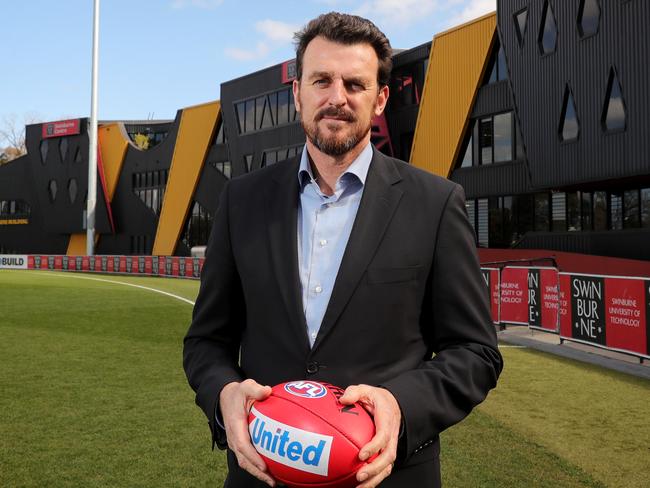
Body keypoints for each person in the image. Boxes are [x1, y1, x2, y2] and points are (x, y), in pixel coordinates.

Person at [184, 12, 502, 488]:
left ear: (380, 100)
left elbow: (476, 352)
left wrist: (400, 404)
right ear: (298, 94)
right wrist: (223, 393)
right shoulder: (242, 201)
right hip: (264, 475)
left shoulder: (435, 204)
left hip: (386, 477)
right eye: (321, 81)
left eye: (355, 83)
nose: (337, 98)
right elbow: (207, 341)